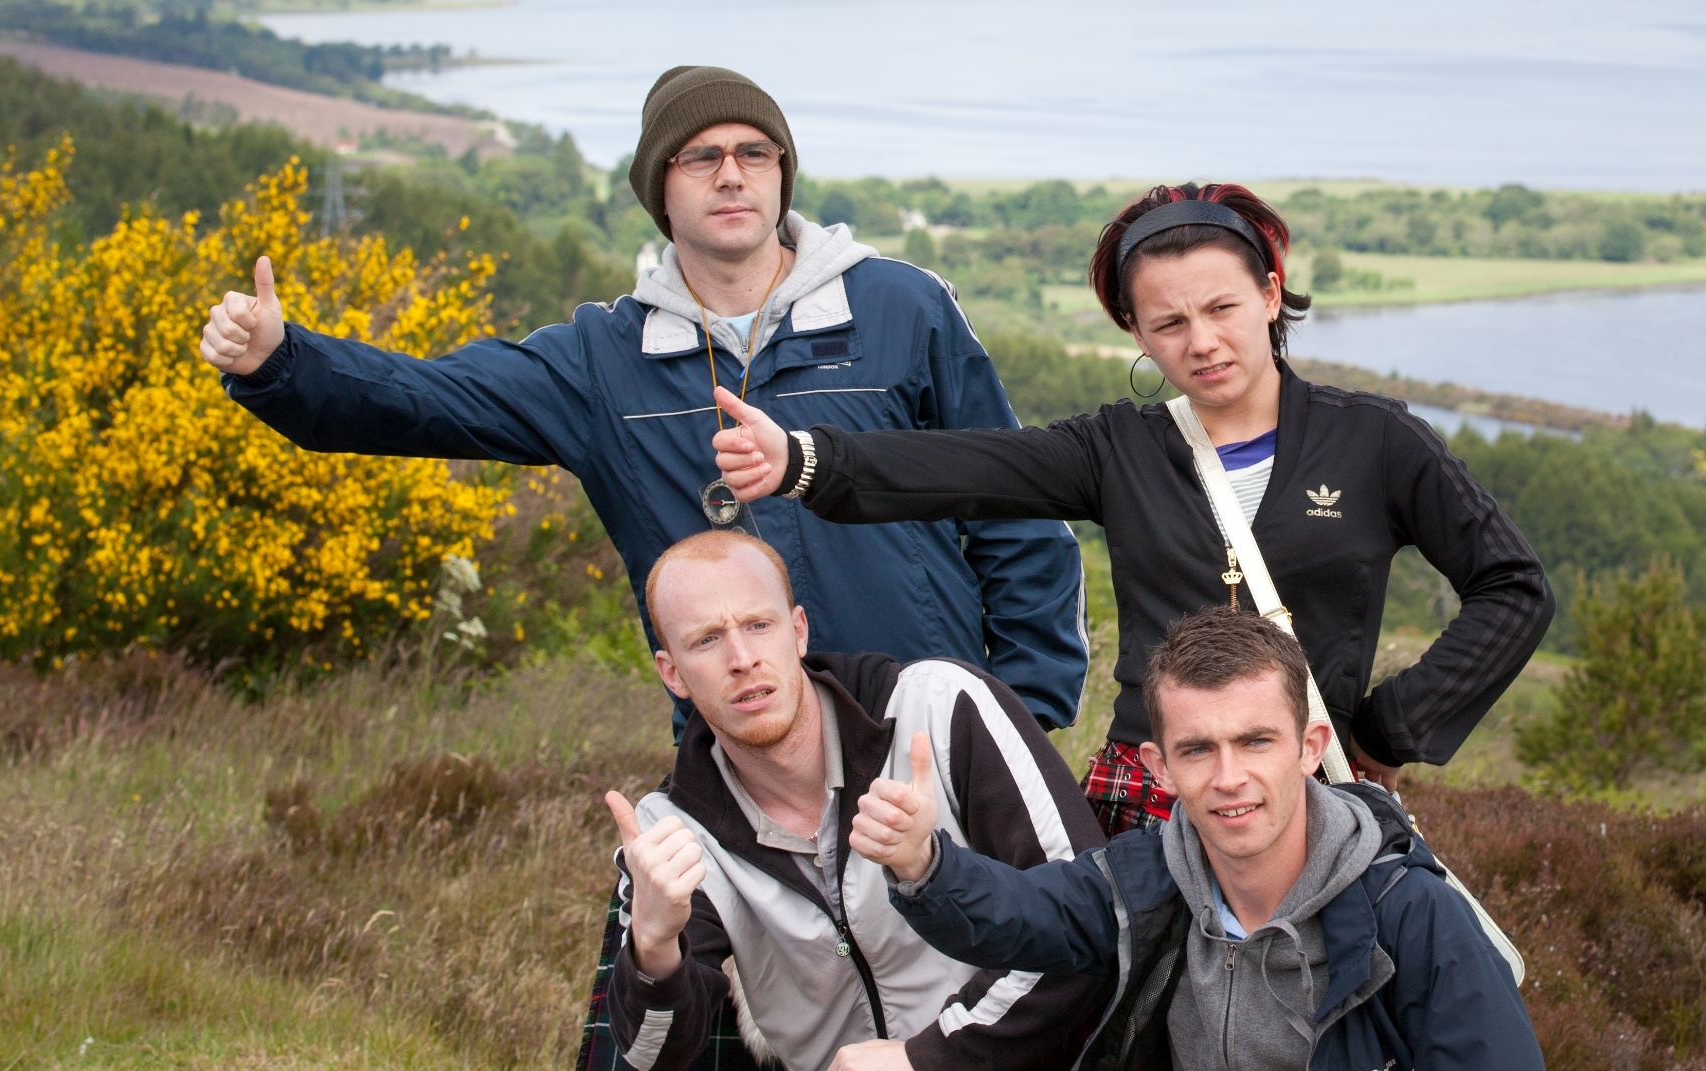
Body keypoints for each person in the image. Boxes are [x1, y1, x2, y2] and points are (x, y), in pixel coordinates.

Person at [196, 64, 1088, 736]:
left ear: (782, 173)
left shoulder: (902, 307)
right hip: (741, 755)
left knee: (983, 975)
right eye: (702, 157)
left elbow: (1013, 511)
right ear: (662, 189)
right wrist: (283, 361)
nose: (731, 174)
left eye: (753, 153)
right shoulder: (604, 361)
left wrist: (1026, 713)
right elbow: (424, 400)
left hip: (934, 730)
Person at [712, 182, 1554, 834]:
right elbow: (967, 465)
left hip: (1307, 782)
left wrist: (1386, 728)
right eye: (1169, 322)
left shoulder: (1375, 442)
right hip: (1146, 787)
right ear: (1139, 337)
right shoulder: (1119, 448)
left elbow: (1513, 586)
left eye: (1223, 307)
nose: (1203, 342)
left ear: (1270, 293)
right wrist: (803, 459)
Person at [850, 607, 1549, 1071]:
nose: (1228, 778)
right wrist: (923, 863)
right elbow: (1025, 915)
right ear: (1159, 768)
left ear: (1310, 749)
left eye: (1255, 741)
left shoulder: (1411, 916)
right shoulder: (1148, 879)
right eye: (1197, 750)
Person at [600, 530, 1108, 1071]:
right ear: (671, 672)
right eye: (706, 640)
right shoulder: (670, 828)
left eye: (758, 625)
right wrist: (653, 946)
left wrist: (929, 1063)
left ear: (797, 631)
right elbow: (655, 1056)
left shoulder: (941, 707)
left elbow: (1095, 921)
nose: (742, 659)